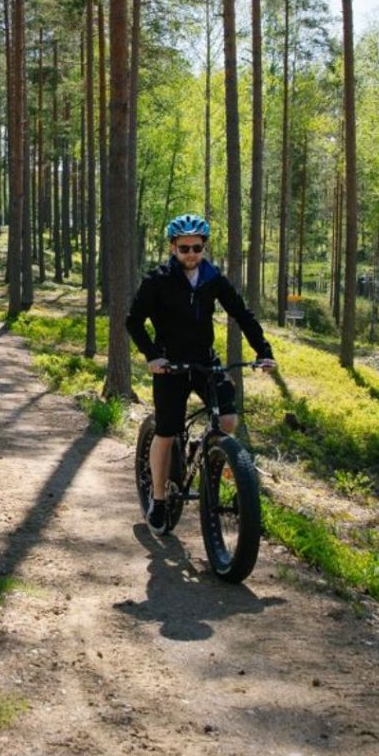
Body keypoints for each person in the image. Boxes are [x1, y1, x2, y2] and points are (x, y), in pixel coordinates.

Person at [126, 213, 275, 536]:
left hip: (205, 361)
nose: (191, 254)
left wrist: (263, 350)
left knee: (228, 421)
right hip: (170, 366)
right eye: (184, 248)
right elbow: (133, 321)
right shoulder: (158, 280)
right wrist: (153, 356)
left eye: (196, 247)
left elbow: (241, 313)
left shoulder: (212, 278)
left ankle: (205, 451)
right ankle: (160, 498)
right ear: (172, 248)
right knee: (166, 431)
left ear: (203, 247)